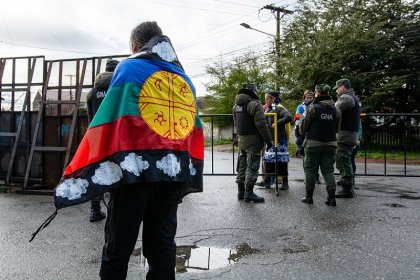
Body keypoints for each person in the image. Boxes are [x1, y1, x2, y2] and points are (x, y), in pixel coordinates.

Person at [85, 58, 119, 222]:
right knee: (117, 171)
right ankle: (115, 210)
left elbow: (90, 118)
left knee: (97, 172)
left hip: (96, 138)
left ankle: (95, 210)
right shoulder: (118, 88)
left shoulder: (93, 92)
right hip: (115, 138)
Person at [299, 84, 341, 206]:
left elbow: (302, 129)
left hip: (313, 143)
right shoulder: (336, 109)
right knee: (328, 170)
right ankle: (332, 198)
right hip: (331, 143)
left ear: (317, 93)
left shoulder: (312, 108)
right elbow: (337, 127)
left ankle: (309, 197)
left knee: (310, 170)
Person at [233, 83, 272, 203]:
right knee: (252, 167)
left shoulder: (236, 106)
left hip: (241, 140)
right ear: (253, 92)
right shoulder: (255, 104)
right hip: (253, 140)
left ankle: (241, 192)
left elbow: (235, 124)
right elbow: (261, 124)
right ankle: (249, 193)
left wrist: (236, 138)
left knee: (242, 166)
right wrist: (268, 140)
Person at [333, 78, 360, 198]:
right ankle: (348, 184)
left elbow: (334, 112)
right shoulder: (354, 97)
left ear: (343, 87)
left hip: (344, 135)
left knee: (343, 160)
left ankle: (347, 189)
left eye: (337, 88)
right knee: (346, 159)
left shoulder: (346, 98)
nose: (336, 91)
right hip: (350, 134)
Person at [262, 91, 292, 190]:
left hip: (280, 139)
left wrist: (277, 122)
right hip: (270, 139)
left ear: (273, 99)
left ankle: (285, 183)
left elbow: (288, 117)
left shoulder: (279, 109)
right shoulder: (267, 109)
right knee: (269, 161)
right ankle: (267, 181)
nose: (265, 101)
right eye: (265, 99)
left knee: (282, 161)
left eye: (267, 99)